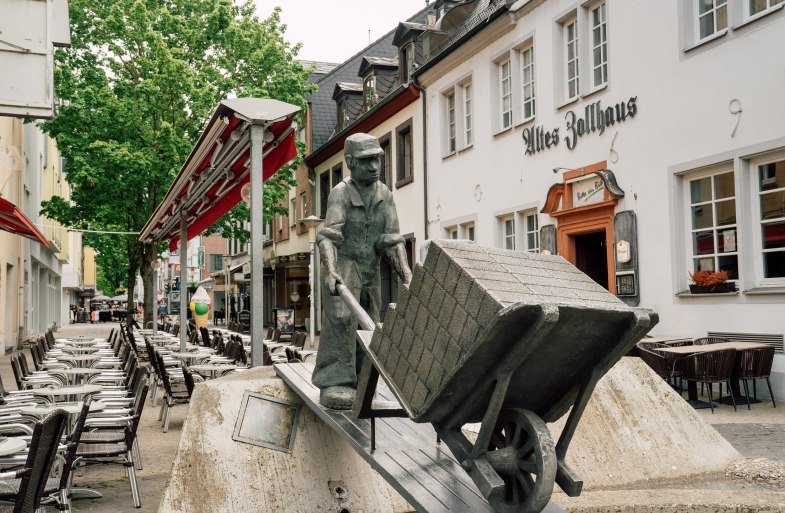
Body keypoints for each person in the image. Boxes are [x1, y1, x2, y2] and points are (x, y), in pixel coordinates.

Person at [312, 133, 412, 410]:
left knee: (370, 322)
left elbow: (391, 239)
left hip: (370, 266)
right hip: (344, 265)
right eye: (367, 161)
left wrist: (406, 275)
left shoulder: (385, 194)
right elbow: (329, 236)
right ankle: (335, 382)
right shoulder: (340, 193)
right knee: (342, 321)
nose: (374, 167)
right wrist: (331, 271)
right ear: (351, 163)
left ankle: (362, 381)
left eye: (377, 160)